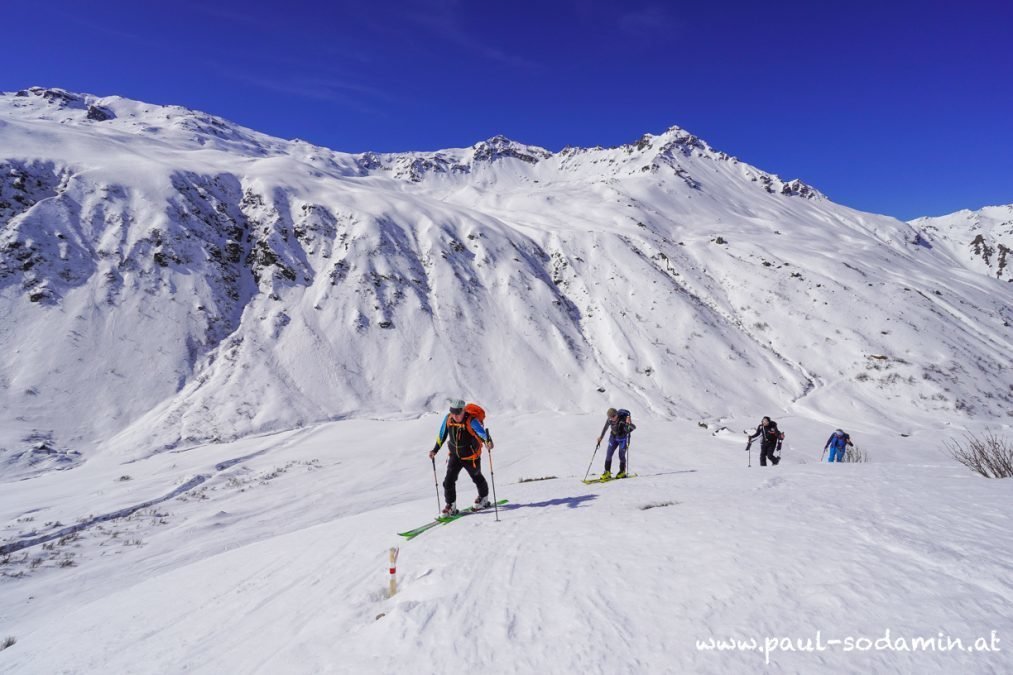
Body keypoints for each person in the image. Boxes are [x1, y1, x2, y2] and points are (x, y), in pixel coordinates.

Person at [429, 399, 493, 515]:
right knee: (448, 482)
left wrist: (488, 442)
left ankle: (483, 498)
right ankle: (450, 506)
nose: (455, 416)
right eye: (453, 412)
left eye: (458, 413)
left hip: (471, 457)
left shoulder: (471, 420)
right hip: (455, 456)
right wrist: (435, 450)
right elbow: (442, 435)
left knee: (477, 478)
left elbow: (482, 433)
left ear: (463, 411)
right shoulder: (448, 419)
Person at [596, 407, 636, 479]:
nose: (611, 419)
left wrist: (628, 423)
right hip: (613, 438)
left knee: (621, 455)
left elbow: (634, 427)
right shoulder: (610, 420)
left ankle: (622, 472)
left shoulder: (623, 420)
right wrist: (601, 437)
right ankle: (607, 472)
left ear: (616, 415)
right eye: (610, 417)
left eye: (613, 417)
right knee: (609, 454)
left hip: (622, 439)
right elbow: (605, 428)